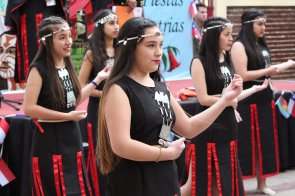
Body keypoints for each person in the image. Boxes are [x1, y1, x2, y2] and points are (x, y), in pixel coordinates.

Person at [96, 17, 243, 196]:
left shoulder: (159, 86)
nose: (159, 52)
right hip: (134, 181)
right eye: (151, 45)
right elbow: (121, 145)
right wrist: (166, 153)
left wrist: (224, 100)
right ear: (130, 48)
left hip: (165, 175)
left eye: (160, 45)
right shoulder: (118, 89)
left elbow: (188, 128)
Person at [181, 16, 271, 196]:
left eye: (231, 34)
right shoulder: (199, 61)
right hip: (209, 128)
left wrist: (253, 89)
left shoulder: (226, 57)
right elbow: (203, 98)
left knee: (222, 182)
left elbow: (231, 97)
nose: (231, 38)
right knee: (197, 183)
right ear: (214, 36)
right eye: (227, 34)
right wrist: (227, 100)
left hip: (228, 128)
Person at [23, 16, 111, 195]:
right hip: (50, 141)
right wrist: (67, 117)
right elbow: (29, 108)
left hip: (72, 138)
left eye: (69, 36)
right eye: (62, 37)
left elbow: (73, 101)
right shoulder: (38, 69)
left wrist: (97, 80)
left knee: (75, 188)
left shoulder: (67, 64)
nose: (69, 41)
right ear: (47, 41)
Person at [230, 9, 295, 195]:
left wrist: (270, 79)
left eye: (265, 23)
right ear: (249, 24)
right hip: (248, 98)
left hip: (264, 97)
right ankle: (238, 186)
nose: (263, 27)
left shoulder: (260, 44)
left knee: (265, 142)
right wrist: (271, 71)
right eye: (260, 23)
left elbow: (263, 69)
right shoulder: (239, 46)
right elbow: (243, 74)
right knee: (247, 143)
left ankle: (262, 184)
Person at [78, 9, 119, 196]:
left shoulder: (123, 50)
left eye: (117, 23)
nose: (116, 27)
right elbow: (81, 85)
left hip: (121, 107)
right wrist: (103, 93)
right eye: (112, 23)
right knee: (100, 152)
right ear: (101, 27)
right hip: (98, 109)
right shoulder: (91, 54)